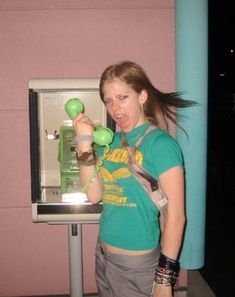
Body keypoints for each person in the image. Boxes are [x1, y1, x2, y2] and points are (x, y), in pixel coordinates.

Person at [73, 61, 196, 297]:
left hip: (137, 266)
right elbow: (94, 195)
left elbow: (176, 216)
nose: (115, 109)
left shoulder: (161, 145)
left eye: (122, 97)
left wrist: (164, 280)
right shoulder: (111, 142)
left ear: (142, 96)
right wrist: (83, 145)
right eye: (108, 101)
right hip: (103, 255)